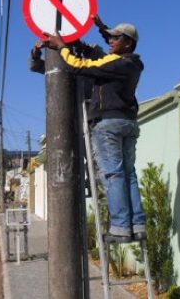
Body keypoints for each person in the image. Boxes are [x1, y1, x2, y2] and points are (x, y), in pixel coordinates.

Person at [41, 17, 146, 243]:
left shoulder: (115, 64)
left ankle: (120, 227)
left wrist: (61, 46)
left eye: (115, 38)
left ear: (127, 44)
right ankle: (137, 224)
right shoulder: (132, 63)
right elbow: (108, 44)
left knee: (113, 175)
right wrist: (101, 27)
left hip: (108, 123)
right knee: (129, 175)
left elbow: (78, 66)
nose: (110, 41)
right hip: (128, 122)